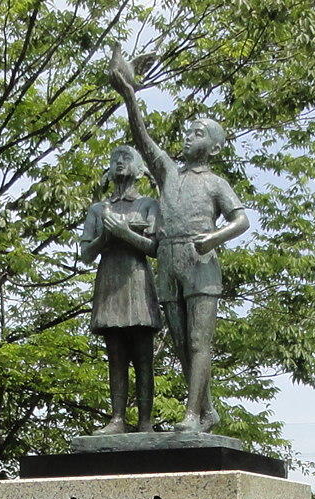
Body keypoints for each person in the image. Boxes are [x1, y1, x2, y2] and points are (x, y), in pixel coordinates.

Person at [105, 48, 249, 433]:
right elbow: (142, 136)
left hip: (202, 263)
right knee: (182, 344)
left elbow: (242, 220)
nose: (189, 137)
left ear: (215, 147)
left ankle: (193, 415)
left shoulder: (216, 183)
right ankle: (206, 409)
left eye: (198, 133)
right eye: (188, 132)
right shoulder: (168, 172)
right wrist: (130, 97)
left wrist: (213, 238)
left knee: (200, 342)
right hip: (169, 259)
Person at [78, 145, 161, 434]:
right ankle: (117, 418)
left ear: (139, 168)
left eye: (126, 158)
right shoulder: (99, 209)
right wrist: (105, 235)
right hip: (110, 284)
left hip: (138, 283)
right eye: (115, 159)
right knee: (115, 355)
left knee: (142, 357)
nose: (119, 163)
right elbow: (86, 254)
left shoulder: (149, 205)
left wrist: (125, 233)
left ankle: (145, 421)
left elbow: (155, 248)